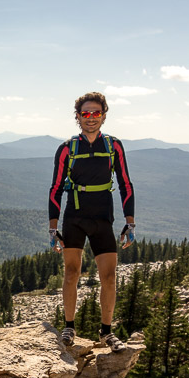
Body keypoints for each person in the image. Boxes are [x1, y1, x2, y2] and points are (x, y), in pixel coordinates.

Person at [48, 91, 135, 352]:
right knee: (71, 273)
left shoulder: (113, 146)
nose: (91, 118)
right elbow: (55, 188)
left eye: (96, 113)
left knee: (109, 277)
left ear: (104, 116)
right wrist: (53, 228)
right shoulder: (67, 148)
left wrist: (130, 223)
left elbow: (125, 184)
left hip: (103, 219)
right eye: (85, 113)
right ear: (77, 117)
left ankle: (106, 333)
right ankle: (69, 326)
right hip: (74, 217)